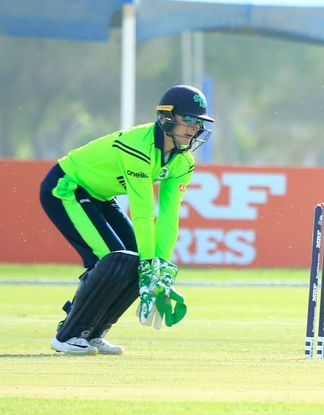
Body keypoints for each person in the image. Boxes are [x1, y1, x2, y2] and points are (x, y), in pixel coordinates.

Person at [39, 85, 213, 355]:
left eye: (198, 122)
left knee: (132, 263)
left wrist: (159, 267)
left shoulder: (183, 162)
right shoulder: (137, 147)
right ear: (167, 116)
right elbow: (143, 211)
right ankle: (68, 334)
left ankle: (94, 332)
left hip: (101, 196)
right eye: (188, 119)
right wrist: (148, 264)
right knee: (113, 260)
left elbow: (168, 215)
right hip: (67, 188)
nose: (194, 128)